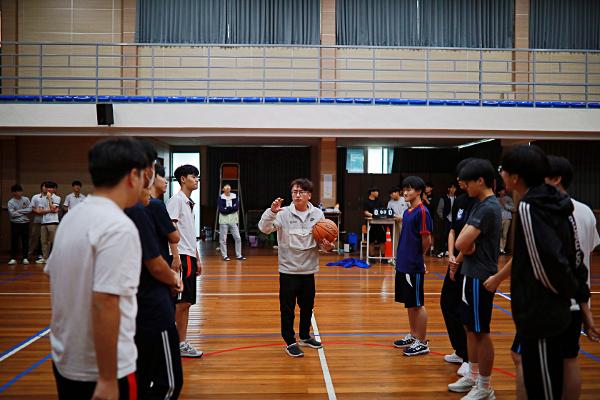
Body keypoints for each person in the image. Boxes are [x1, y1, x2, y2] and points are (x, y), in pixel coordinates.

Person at [45, 137, 148, 400]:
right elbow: (105, 302)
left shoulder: (73, 218)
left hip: (66, 360)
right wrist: (107, 378)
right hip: (102, 370)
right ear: (132, 176)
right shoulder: (118, 227)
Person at [500, 145, 596, 400]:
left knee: (542, 387)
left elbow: (546, 262)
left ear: (516, 176)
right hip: (562, 307)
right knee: (554, 376)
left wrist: (563, 297)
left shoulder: (530, 206)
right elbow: (577, 258)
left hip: (542, 314)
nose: (501, 175)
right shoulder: (562, 204)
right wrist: (579, 299)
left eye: (504, 170)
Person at [125, 150, 184, 399]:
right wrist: (173, 279)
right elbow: (157, 261)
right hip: (149, 304)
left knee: (140, 374)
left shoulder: (85, 213)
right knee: (168, 383)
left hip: (129, 310)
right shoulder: (140, 209)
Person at [258, 178, 334, 357]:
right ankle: (290, 341)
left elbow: (323, 243)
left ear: (309, 195)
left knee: (307, 307)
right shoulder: (282, 213)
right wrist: (271, 212)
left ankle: (305, 336)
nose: (297, 195)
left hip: (309, 270)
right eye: (294, 192)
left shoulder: (317, 214)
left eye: (301, 192)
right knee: (287, 309)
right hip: (288, 271)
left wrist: (328, 247)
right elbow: (264, 228)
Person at [545, 155, 600, 400]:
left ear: (556, 179)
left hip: (553, 302)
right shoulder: (587, 211)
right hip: (577, 301)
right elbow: (585, 257)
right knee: (569, 361)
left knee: (531, 360)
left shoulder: (548, 212)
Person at [448, 158, 501, 400]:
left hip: (481, 276)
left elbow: (460, 241)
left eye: (468, 182)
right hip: (469, 273)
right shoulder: (479, 204)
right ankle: (472, 374)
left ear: (481, 181)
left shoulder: (489, 207)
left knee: (481, 331)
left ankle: (485, 385)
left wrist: (466, 245)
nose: (464, 187)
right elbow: (463, 241)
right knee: (470, 328)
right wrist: (464, 249)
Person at [441, 158, 478, 377]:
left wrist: (459, 258)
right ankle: (459, 349)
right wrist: (451, 256)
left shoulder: (481, 204)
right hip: (455, 260)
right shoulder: (461, 200)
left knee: (464, 311)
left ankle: (469, 357)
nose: (458, 180)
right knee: (447, 302)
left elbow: (473, 238)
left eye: (462, 176)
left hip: (469, 265)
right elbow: (453, 230)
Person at [392, 176, 432, 356]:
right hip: (403, 264)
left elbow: (426, 239)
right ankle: (414, 334)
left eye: (409, 189)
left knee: (417, 304)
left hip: (413, 265)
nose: (405, 192)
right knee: (409, 303)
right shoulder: (408, 212)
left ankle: (422, 342)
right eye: (404, 189)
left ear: (419, 191)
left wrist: (419, 259)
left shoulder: (422, 212)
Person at [167, 164, 203, 358]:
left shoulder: (188, 202)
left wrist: (197, 258)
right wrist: (175, 257)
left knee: (187, 302)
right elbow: (170, 230)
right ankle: (174, 342)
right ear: (183, 179)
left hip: (189, 255)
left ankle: (181, 342)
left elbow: (189, 234)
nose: (196, 179)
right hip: (180, 256)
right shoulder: (176, 201)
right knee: (180, 303)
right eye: (193, 176)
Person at [218, 183, 246, 261]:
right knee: (223, 239)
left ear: (230, 189)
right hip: (223, 221)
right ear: (223, 189)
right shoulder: (221, 197)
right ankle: (224, 255)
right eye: (225, 188)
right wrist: (231, 208)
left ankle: (239, 255)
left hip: (233, 220)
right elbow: (221, 210)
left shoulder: (235, 196)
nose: (227, 189)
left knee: (238, 237)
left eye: (228, 188)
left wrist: (227, 208)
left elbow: (236, 207)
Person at [7, 184, 32, 265]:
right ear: (14, 193)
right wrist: (23, 211)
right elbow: (12, 214)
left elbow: (30, 209)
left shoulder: (26, 199)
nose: (20, 193)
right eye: (18, 191)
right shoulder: (11, 202)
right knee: (14, 241)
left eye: (21, 191)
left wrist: (18, 211)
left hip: (25, 223)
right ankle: (13, 258)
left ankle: (25, 258)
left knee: (25, 241)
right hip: (15, 223)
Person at [38, 181, 61, 264]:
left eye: (51, 188)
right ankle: (45, 258)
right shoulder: (42, 198)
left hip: (53, 222)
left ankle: (56, 258)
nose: (49, 189)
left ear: (54, 189)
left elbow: (53, 208)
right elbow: (39, 211)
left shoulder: (57, 198)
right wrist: (50, 210)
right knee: (43, 241)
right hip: (44, 222)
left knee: (54, 241)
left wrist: (50, 199)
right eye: (48, 187)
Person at [387, 186, 409, 258]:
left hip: (404, 222)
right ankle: (395, 257)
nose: (391, 195)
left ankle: (405, 256)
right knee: (395, 240)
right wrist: (395, 216)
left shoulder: (405, 199)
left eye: (392, 193)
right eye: (390, 194)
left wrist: (403, 217)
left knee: (405, 239)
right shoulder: (390, 202)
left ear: (397, 193)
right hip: (394, 222)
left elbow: (411, 209)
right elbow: (388, 212)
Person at [436, 182, 457, 257]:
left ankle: (449, 251)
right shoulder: (444, 198)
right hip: (446, 219)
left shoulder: (457, 198)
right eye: (451, 187)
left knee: (452, 235)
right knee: (443, 235)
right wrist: (443, 218)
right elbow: (439, 210)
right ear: (448, 189)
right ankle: (441, 250)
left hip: (454, 220)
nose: (453, 189)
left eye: (454, 188)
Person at [363, 187, 385, 257]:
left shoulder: (379, 201)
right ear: (372, 192)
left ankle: (383, 256)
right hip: (370, 224)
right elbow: (365, 212)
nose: (378, 193)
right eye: (376, 191)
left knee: (382, 240)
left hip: (379, 224)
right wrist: (373, 215)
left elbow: (382, 210)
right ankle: (371, 256)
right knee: (371, 240)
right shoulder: (366, 202)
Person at [28, 182, 47, 262]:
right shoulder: (35, 197)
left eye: (48, 187)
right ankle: (28, 255)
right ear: (41, 187)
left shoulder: (51, 197)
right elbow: (31, 208)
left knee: (45, 240)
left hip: (47, 221)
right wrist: (37, 211)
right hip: (37, 221)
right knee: (34, 238)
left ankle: (43, 256)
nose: (46, 188)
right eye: (44, 187)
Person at [496, 187, 514, 255]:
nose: (503, 191)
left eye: (504, 190)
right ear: (499, 192)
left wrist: (505, 204)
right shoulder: (496, 199)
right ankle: (498, 249)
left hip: (507, 218)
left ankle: (502, 249)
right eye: (501, 190)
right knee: (499, 234)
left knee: (504, 234)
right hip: (499, 219)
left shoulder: (508, 198)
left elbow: (513, 208)